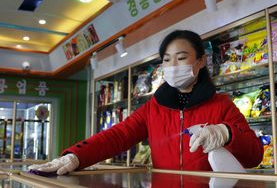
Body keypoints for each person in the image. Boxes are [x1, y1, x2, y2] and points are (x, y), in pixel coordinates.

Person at [29, 30, 263, 175]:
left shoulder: (221, 104)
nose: (173, 66)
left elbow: (255, 155)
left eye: (181, 58)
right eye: (167, 60)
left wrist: (227, 133)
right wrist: (75, 156)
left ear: (201, 61)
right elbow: (118, 135)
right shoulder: (154, 107)